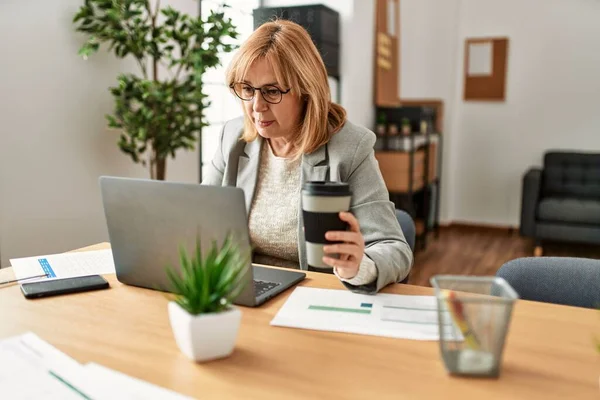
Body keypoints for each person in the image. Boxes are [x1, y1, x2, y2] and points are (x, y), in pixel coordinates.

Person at [203, 19, 412, 294]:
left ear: (305, 90)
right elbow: (201, 222)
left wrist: (360, 266)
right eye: (247, 89)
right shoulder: (233, 136)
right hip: (243, 290)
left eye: (272, 91)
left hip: (314, 297)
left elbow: (395, 249)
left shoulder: (350, 147)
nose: (256, 106)